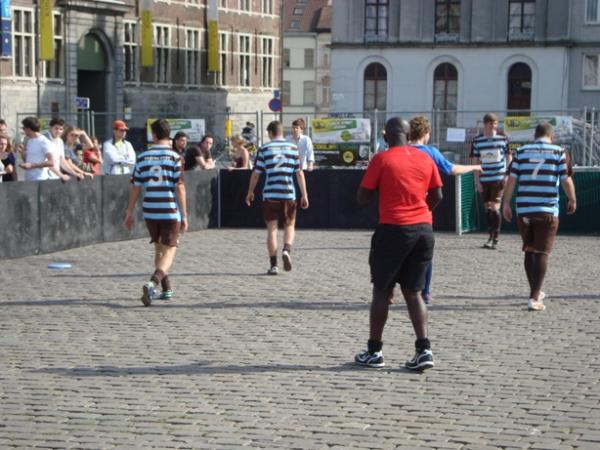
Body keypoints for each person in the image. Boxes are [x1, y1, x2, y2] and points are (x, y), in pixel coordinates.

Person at [354, 117, 443, 371]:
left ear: (386, 136)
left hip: (393, 229)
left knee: (382, 291)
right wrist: (422, 211)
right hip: (424, 231)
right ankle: (424, 350)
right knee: (414, 292)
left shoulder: (382, 159)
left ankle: (374, 352)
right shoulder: (425, 158)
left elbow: (362, 197)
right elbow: (438, 194)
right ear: (408, 134)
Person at [502, 122, 576, 312]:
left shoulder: (521, 152)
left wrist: (506, 203)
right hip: (546, 210)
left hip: (524, 209)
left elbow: (511, 180)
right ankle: (534, 297)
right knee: (542, 253)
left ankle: (534, 290)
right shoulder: (559, 152)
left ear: (535, 136)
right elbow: (565, 180)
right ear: (551, 136)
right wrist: (572, 199)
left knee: (529, 250)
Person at [409, 115, 481, 304]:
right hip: (421, 210)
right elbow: (452, 169)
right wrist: (474, 167)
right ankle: (424, 292)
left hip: (399, 209)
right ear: (426, 133)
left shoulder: (400, 151)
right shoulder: (430, 152)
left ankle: (389, 291)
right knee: (424, 254)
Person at [124, 119, 188, 306]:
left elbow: (135, 186)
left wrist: (129, 212)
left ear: (153, 135)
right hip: (169, 210)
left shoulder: (143, 157)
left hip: (150, 210)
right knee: (170, 250)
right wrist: (184, 214)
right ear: (169, 135)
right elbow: (180, 186)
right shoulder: (175, 157)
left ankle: (166, 289)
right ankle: (153, 282)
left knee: (159, 249)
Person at [245, 120, 309, 275]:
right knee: (289, 225)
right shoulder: (293, 148)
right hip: (288, 194)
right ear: (281, 132)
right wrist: (304, 195)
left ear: (270, 133)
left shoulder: (264, 148)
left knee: (271, 230)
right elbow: (299, 173)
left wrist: (250, 192)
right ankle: (286, 250)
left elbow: (256, 173)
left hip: (270, 195)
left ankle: (274, 265)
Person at [470, 113, 511, 250]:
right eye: (491, 123)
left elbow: (508, 156)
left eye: (495, 123)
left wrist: (506, 174)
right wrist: (477, 181)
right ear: (485, 124)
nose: (493, 126)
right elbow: (475, 160)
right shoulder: (477, 140)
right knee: (487, 208)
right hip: (484, 178)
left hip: (498, 178)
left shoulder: (503, 139)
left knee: (494, 207)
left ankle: (496, 238)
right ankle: (490, 236)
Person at [18, 116, 68, 182]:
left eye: (24, 128)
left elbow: (51, 162)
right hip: (29, 179)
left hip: (40, 179)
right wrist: (22, 152)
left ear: (28, 129)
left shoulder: (44, 141)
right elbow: (27, 162)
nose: (23, 130)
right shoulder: (30, 141)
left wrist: (32, 165)